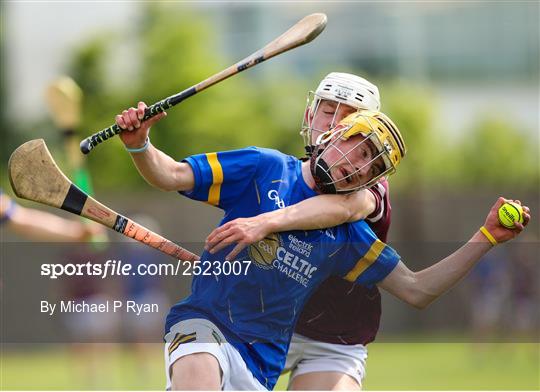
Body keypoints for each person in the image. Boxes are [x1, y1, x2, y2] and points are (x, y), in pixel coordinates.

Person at [115, 99, 529, 390]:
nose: (356, 163)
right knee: (197, 376)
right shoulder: (264, 167)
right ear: (334, 133)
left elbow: (417, 289)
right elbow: (169, 175)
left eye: (371, 163)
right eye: (358, 146)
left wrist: (486, 237)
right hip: (205, 324)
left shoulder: (348, 236)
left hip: (261, 360)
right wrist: (139, 145)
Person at [205, 72, 391, 390]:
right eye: (329, 111)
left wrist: (265, 222)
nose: (335, 123)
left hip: (334, 338)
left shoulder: (372, 191)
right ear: (310, 114)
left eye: (349, 119)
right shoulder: (283, 174)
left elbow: (344, 207)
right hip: (264, 326)